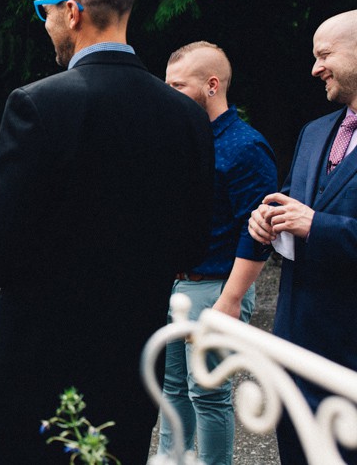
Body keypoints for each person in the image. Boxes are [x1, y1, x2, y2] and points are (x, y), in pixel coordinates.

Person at [0, 0, 214, 464]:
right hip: (131, 367)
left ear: (72, 11)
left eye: (46, 11)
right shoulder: (186, 117)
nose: (46, 24)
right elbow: (194, 241)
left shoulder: (37, 104)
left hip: (38, 363)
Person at [157, 41, 277, 465]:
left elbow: (259, 231)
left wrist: (230, 299)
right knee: (172, 389)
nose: (167, 92)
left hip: (217, 287)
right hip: (178, 284)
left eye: (177, 84)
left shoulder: (247, 146)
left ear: (211, 85)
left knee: (207, 393)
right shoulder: (184, 138)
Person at [249, 9, 357, 465]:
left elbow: (313, 220)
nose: (315, 68)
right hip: (295, 348)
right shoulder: (314, 131)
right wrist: (265, 224)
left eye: (324, 54)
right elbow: (291, 203)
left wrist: (318, 225)